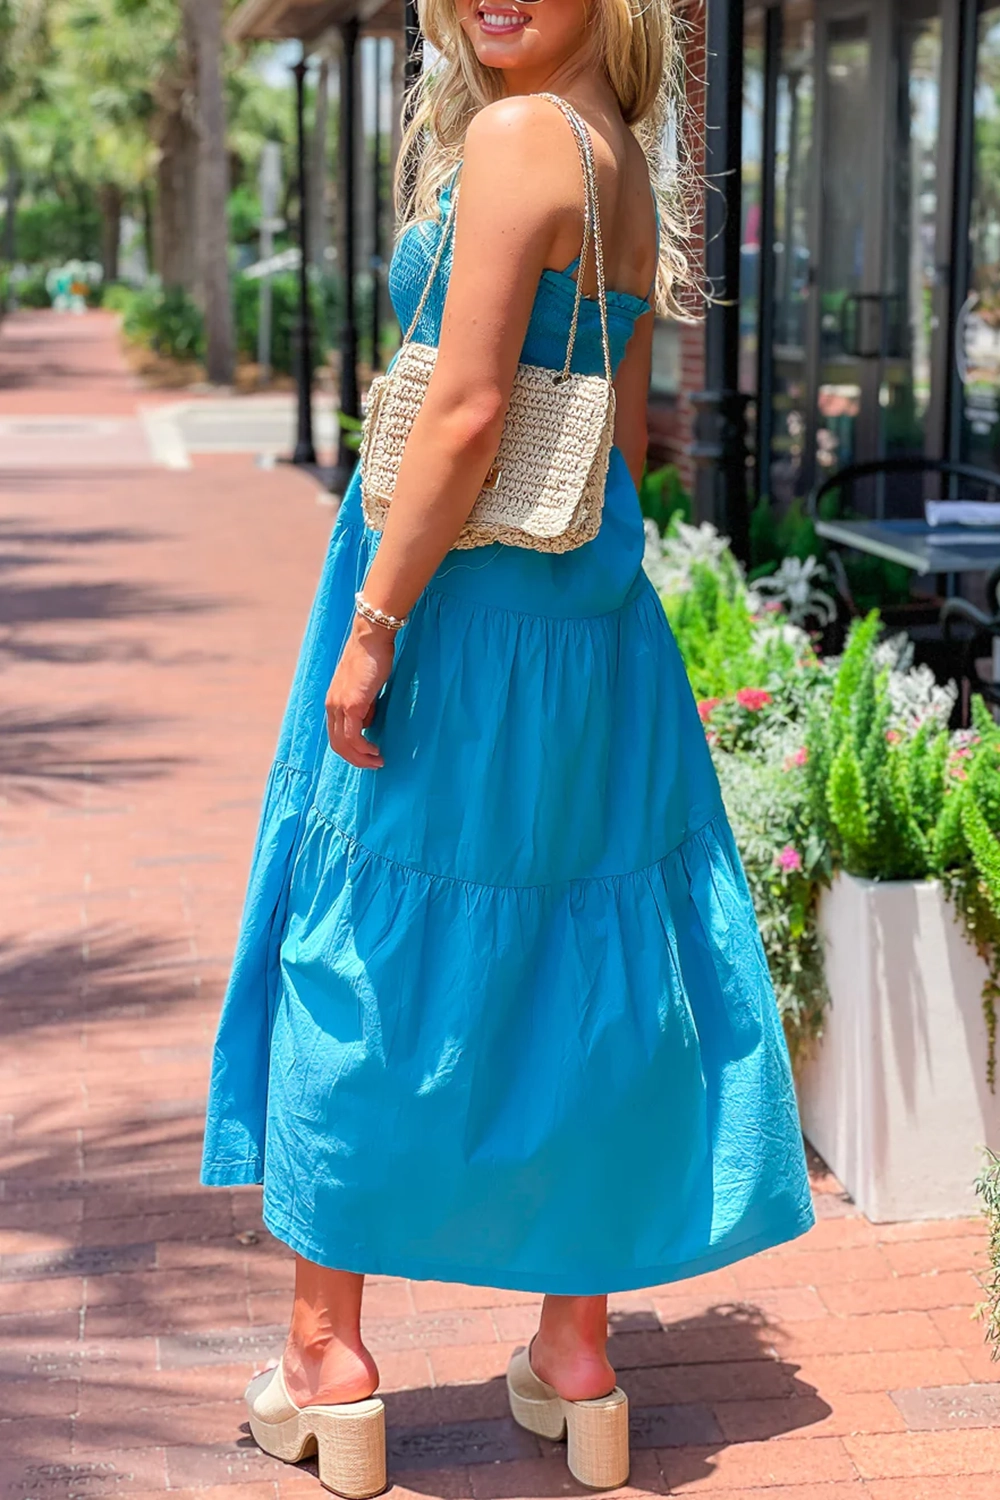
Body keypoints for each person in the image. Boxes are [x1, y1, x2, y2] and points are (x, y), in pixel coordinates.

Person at [201, 0, 816, 1491]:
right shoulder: (616, 149)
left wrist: (376, 625)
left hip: (462, 623)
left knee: (359, 951)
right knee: (576, 967)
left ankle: (326, 1361)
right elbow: (624, 436)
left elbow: (469, 411)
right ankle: (577, 1353)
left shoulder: (520, 132)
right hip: (588, 626)